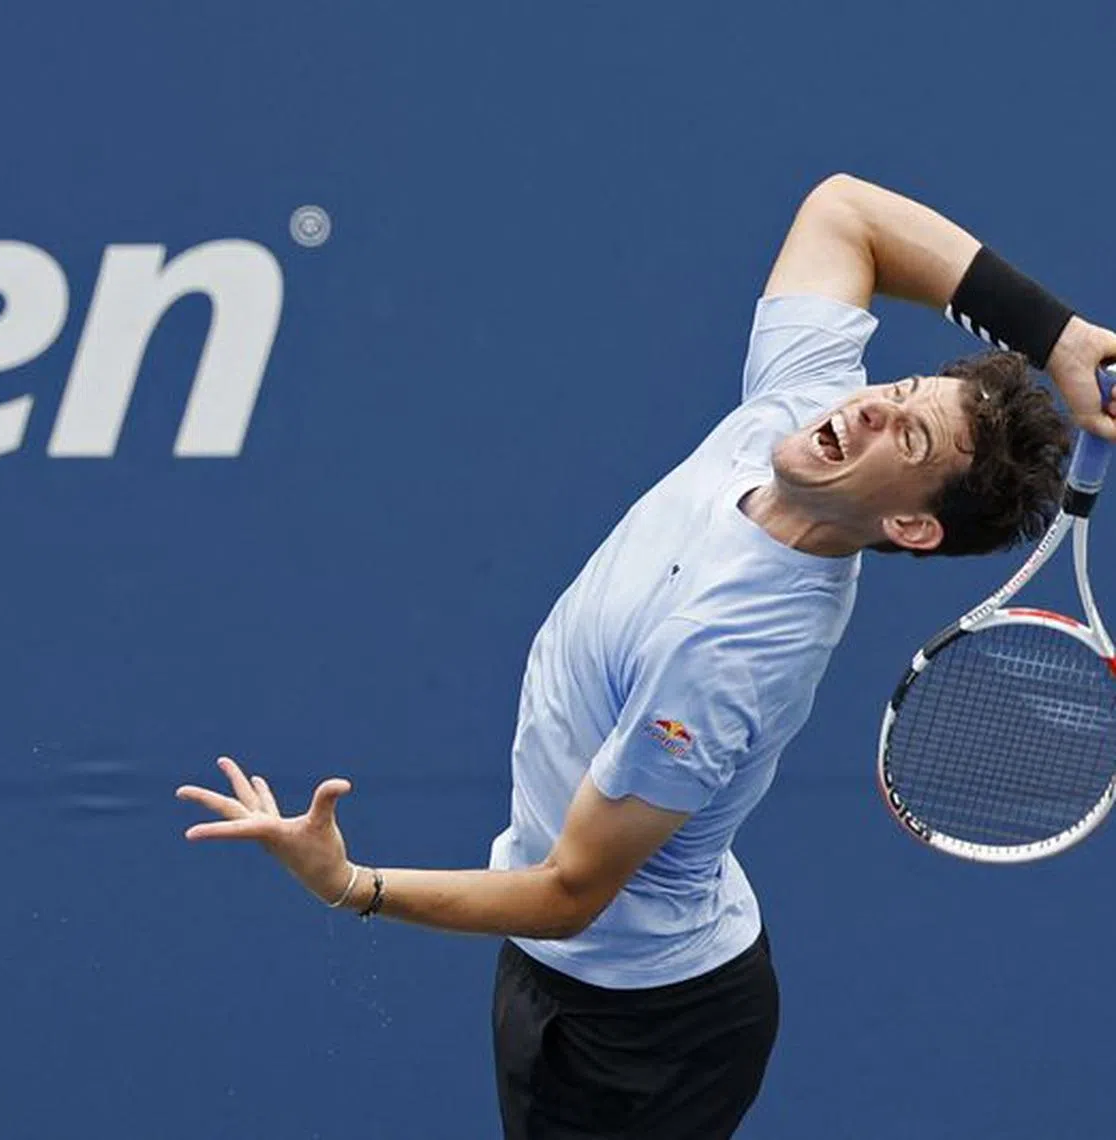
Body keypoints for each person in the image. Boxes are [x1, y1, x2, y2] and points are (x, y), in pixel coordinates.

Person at [176, 174, 1116, 1139]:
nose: (871, 406)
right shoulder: (804, 415)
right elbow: (847, 212)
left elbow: (568, 895)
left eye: (906, 431)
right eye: (900, 388)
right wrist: (1056, 336)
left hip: (639, 1035)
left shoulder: (727, 653)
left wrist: (351, 885)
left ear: (911, 526)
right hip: (574, 972)